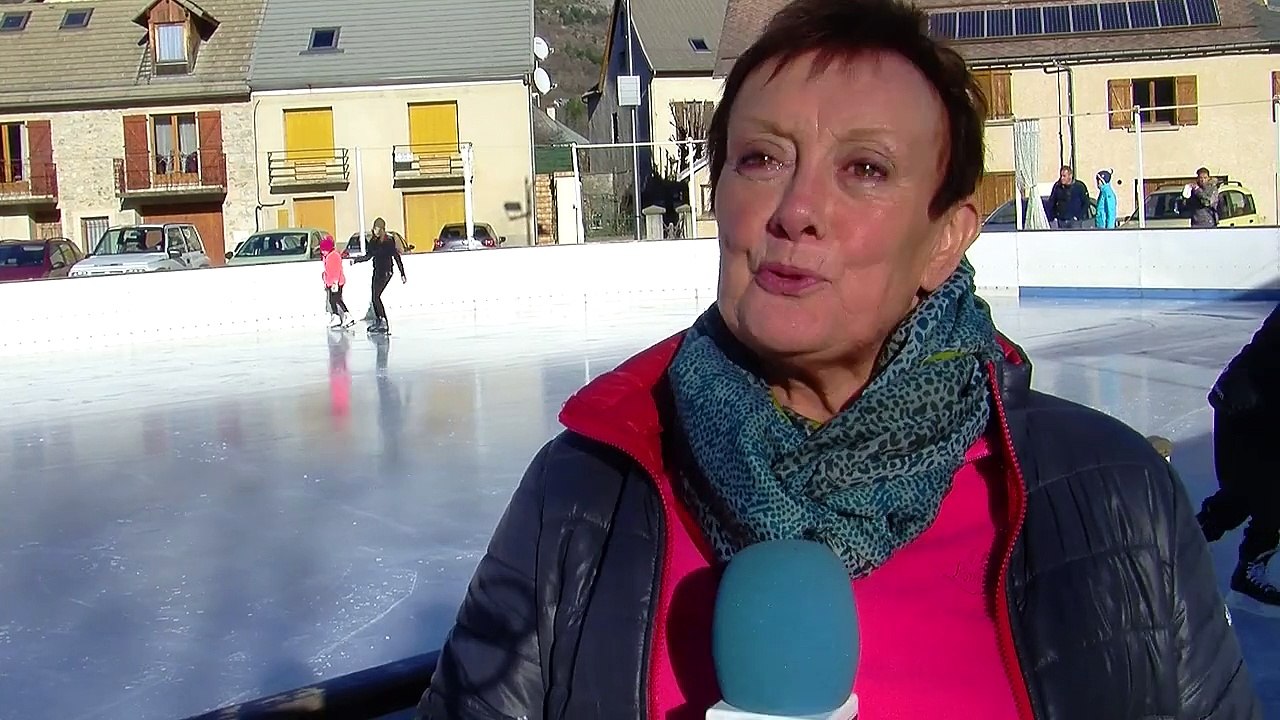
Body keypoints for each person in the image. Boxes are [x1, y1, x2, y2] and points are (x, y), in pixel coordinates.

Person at [418, 0, 1260, 716]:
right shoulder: (586, 496)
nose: (797, 210)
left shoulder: (1109, 492)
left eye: (864, 168)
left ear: (946, 240)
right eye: (761, 159)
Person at [1198, 302, 1280, 609]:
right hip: (1245, 405)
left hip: (1258, 406)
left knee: (1244, 496)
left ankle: (1183, 540)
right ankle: (1245, 569)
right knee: (1257, 494)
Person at [353, 217, 406, 334]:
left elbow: (396, 256)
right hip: (377, 271)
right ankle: (379, 320)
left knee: (377, 297)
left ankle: (384, 322)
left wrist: (402, 273)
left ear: (382, 229)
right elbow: (368, 256)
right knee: (374, 297)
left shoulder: (388, 241)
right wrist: (356, 260)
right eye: (374, 228)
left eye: (377, 228)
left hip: (386, 272)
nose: (375, 230)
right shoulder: (373, 241)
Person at [320, 234, 352, 329]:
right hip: (331, 282)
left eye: (323, 249)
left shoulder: (333, 256)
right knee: (332, 300)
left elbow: (335, 270)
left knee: (337, 299)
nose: (322, 252)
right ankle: (336, 316)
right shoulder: (327, 256)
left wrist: (335, 282)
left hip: (336, 282)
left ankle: (347, 315)